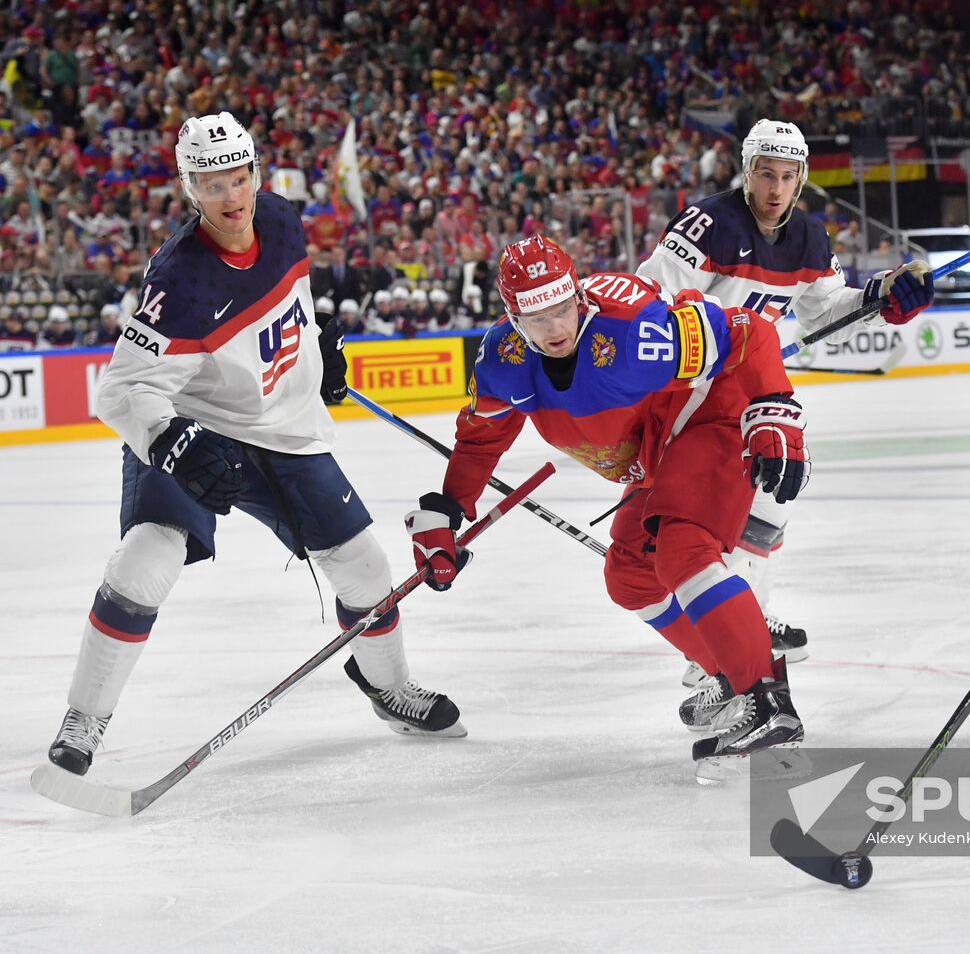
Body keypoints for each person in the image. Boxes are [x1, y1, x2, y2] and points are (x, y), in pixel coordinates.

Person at [44, 112, 466, 779]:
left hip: (283, 429)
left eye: (239, 178)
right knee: (146, 558)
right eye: (213, 186)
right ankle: (85, 715)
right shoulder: (179, 279)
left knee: (365, 567)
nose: (232, 198)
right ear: (190, 190)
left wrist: (317, 348)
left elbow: (291, 300)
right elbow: (120, 391)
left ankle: (389, 687)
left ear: (256, 174)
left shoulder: (282, 218)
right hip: (194, 424)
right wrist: (171, 441)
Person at [408, 235, 810, 780]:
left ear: (579, 296)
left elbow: (750, 333)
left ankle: (765, 700)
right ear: (511, 317)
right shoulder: (503, 361)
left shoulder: (634, 329)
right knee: (631, 577)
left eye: (560, 308)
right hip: (658, 447)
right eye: (535, 316)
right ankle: (731, 671)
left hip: (709, 409)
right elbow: (482, 439)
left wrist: (773, 409)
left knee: (683, 548)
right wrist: (448, 510)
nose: (553, 328)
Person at [635, 118, 932, 676]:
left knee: (774, 490)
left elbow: (823, 314)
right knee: (730, 502)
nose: (775, 189)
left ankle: (747, 612)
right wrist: (712, 348)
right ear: (746, 173)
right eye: (765, 174)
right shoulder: (708, 223)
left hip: (744, 389)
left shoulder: (811, 238)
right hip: (684, 393)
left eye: (787, 176)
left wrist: (879, 296)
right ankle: (721, 635)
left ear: (801, 180)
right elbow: (652, 299)